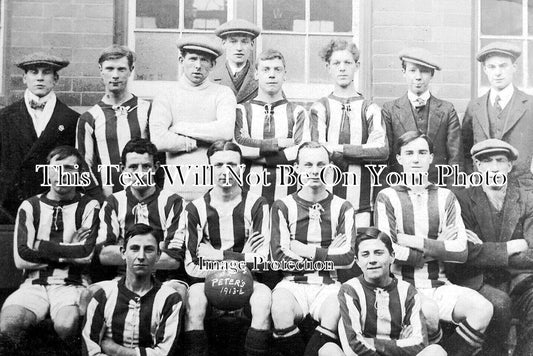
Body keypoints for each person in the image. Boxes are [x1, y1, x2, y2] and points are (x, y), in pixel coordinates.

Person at [374, 131, 494, 356]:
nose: (416, 159)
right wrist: (438, 244)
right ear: (399, 159)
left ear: (431, 158)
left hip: (438, 284)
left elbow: (460, 251)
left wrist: (412, 240)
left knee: (483, 309)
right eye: (409, 153)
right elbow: (388, 251)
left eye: (422, 153)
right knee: (427, 313)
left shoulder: (446, 197)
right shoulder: (387, 197)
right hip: (400, 286)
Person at [0, 146, 99, 342]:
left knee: (66, 325)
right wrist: (70, 249)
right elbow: (21, 258)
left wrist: (40, 246)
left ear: (79, 174)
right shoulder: (30, 206)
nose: (62, 174)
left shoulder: (89, 205)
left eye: (70, 168)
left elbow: (86, 254)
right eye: (56, 168)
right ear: (48, 171)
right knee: (9, 324)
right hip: (33, 284)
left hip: (72, 284)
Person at [183, 140, 271, 356]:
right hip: (205, 282)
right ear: (209, 169)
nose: (225, 171)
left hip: (250, 282)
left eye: (231, 164)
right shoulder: (195, 208)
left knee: (263, 298)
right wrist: (242, 256)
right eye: (218, 165)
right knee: (194, 299)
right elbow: (191, 266)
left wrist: (218, 255)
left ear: (241, 168)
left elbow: (263, 262)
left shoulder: (258, 204)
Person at [270, 141, 356, 356]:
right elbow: (279, 257)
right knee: (280, 309)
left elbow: (348, 258)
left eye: (321, 164)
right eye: (308, 165)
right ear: (297, 168)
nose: (315, 171)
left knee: (335, 309)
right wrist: (328, 253)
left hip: (329, 284)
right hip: (291, 283)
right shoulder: (283, 205)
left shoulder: (343, 207)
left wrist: (305, 250)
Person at [450, 139, 533, 356]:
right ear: (477, 166)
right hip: (478, 279)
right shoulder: (462, 199)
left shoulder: (527, 199)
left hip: (519, 281)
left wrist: (486, 249)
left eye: (500, 160)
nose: (494, 167)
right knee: (499, 304)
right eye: (487, 161)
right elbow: (466, 252)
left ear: (509, 166)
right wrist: (511, 246)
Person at [310, 40, 388, 227]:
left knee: (358, 249)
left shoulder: (370, 108)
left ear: (357, 66)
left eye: (348, 63)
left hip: (361, 202)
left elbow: (381, 150)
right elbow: (319, 152)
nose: (342, 69)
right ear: (328, 67)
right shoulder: (320, 107)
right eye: (336, 63)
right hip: (325, 198)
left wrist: (337, 148)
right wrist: (360, 152)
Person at [333, 227, 446, 356]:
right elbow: (355, 344)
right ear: (358, 261)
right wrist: (400, 344)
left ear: (392, 256)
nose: (372, 260)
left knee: (436, 351)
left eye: (378, 253)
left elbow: (420, 343)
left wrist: (371, 341)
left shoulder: (407, 290)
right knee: (328, 349)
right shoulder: (350, 289)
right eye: (365, 254)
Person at [96, 138, 187, 295]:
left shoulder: (173, 202)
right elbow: (104, 255)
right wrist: (157, 249)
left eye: (146, 166)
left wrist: (125, 250)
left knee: (177, 292)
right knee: (91, 293)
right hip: (122, 280)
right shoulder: (113, 202)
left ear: (156, 167)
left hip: (165, 282)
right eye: (132, 167)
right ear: (122, 169)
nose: (140, 173)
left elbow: (173, 260)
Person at [150, 36, 236, 201]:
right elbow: (158, 139)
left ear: (212, 64)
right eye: (193, 58)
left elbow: (225, 132)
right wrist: (195, 142)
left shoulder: (222, 93)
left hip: (213, 193)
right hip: (175, 191)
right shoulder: (166, 94)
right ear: (181, 60)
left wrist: (180, 128)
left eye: (204, 60)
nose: (198, 65)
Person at [82, 223, 184, 356]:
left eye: (148, 249)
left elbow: (165, 353)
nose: (141, 256)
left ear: (158, 255)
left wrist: (118, 351)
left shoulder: (170, 299)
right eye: (135, 249)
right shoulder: (103, 295)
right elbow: (90, 351)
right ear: (123, 253)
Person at [0, 52, 78, 223]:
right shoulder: (5, 117)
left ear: (56, 79)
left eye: (46, 72)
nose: (40, 78)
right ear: (24, 78)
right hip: (10, 209)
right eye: (34, 72)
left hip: (55, 208)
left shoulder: (72, 119)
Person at [234, 49, 309, 205]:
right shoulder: (241, 110)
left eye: (277, 69)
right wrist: (280, 144)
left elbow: (301, 151)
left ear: (285, 75)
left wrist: (258, 154)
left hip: (288, 195)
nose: (272, 74)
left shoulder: (297, 112)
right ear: (256, 74)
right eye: (266, 69)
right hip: (248, 193)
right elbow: (238, 149)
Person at [77, 45, 150, 197]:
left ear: (131, 70)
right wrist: (99, 201)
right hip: (107, 199)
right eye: (109, 69)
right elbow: (84, 166)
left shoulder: (147, 110)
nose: (115, 75)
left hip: (145, 197)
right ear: (100, 70)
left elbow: (159, 157)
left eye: (121, 69)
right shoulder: (89, 118)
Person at [382, 47, 464, 184]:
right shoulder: (390, 110)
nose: (418, 77)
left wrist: (452, 196)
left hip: (438, 190)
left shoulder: (447, 110)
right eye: (412, 70)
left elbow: (455, 159)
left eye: (424, 71)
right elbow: (386, 159)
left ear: (432, 74)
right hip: (401, 191)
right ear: (404, 72)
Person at [462, 42, 533, 185]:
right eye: (492, 67)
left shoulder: (530, 105)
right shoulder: (474, 106)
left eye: (503, 66)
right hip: (481, 188)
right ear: (485, 70)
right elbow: (464, 150)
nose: (498, 72)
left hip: (521, 189)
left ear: (514, 67)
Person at [212, 19, 261, 104]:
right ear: (224, 44)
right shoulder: (210, 79)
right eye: (233, 42)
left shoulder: (263, 79)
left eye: (244, 42)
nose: (239, 48)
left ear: (252, 45)